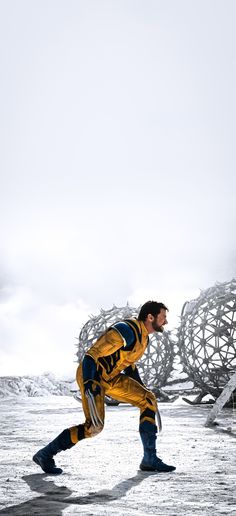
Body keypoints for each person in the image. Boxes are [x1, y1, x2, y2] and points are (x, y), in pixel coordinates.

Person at [33, 301, 176, 474]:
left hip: (112, 377)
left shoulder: (143, 337)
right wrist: (89, 383)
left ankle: (149, 459)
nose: (165, 322)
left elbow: (128, 365)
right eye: (163, 318)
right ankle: (45, 455)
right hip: (92, 376)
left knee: (148, 399)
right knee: (94, 427)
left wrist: (143, 388)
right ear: (150, 317)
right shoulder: (126, 330)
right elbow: (91, 355)